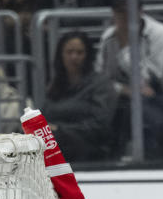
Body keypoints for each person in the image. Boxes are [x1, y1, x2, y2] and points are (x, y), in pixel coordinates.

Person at [96, 0, 163, 160]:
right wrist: (125, 90)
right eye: (120, 10)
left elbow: (155, 80)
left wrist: (125, 46)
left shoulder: (159, 33)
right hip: (125, 99)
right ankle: (106, 161)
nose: (124, 15)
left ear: (140, 11)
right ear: (113, 12)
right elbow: (100, 81)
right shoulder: (108, 37)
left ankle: (152, 161)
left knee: (136, 110)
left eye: (129, 9)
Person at [45, 31, 118, 162]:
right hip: (55, 141)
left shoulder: (100, 84)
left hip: (87, 143)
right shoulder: (56, 85)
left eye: (79, 52)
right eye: (69, 52)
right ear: (61, 55)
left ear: (88, 55)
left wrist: (61, 130)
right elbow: (45, 114)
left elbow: (100, 125)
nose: (74, 57)